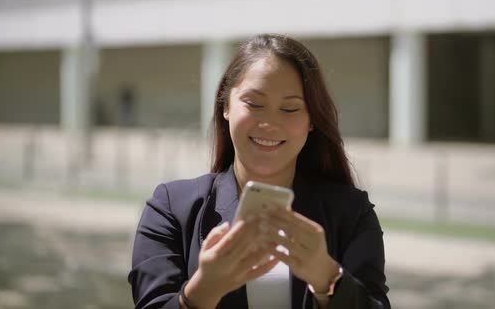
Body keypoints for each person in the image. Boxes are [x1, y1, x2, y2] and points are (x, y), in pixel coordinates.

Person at [128, 34, 391, 309]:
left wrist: (328, 277)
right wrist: (203, 289)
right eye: (254, 104)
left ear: (312, 120)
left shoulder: (352, 213)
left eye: (290, 108)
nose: (269, 123)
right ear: (226, 106)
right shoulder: (171, 208)